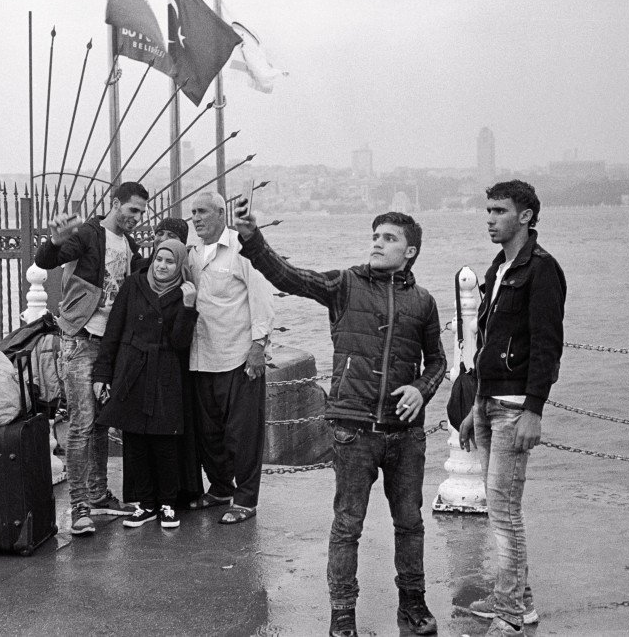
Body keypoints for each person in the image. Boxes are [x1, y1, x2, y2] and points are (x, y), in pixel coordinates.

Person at [233, 203, 446, 637]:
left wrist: (420, 390)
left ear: (411, 251)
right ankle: (342, 613)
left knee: (410, 523)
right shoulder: (345, 284)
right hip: (352, 428)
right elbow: (291, 278)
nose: (377, 243)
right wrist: (253, 240)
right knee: (348, 525)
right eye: (376, 235)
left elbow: (438, 362)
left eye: (389, 238)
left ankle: (413, 604)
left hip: (405, 435)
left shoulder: (423, 301)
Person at [459, 180, 566, 637]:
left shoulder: (541, 270)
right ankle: (517, 600)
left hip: (514, 406)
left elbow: (547, 345)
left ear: (525, 216)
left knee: (504, 511)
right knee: (498, 507)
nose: (489, 218)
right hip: (488, 401)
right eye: (487, 210)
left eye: (499, 211)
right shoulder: (499, 269)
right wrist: (472, 408)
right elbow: (487, 343)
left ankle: (510, 613)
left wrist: (534, 409)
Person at [34, 181, 149, 535]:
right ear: (115, 204)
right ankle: (79, 506)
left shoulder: (129, 245)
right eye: (132, 210)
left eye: (141, 213)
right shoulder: (88, 233)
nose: (136, 218)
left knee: (101, 422)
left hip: (110, 345)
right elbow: (47, 260)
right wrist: (54, 239)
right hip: (81, 338)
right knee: (83, 422)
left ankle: (99, 498)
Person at [92, 239, 198, 529]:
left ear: (180, 265)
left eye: (170, 261)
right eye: (159, 259)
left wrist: (189, 308)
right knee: (135, 439)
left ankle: (167, 503)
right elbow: (113, 330)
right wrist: (102, 374)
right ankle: (145, 504)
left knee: (165, 440)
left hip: (166, 371)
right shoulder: (133, 285)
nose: (162, 266)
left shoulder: (183, 293)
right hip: (132, 369)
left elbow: (180, 342)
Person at [187, 191, 274, 525]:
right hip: (200, 357)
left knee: (243, 434)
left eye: (203, 211)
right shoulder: (192, 254)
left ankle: (246, 499)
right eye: (193, 212)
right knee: (209, 433)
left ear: (221, 214)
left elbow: (262, 298)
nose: (196, 218)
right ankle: (221, 487)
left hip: (238, 356)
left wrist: (258, 347)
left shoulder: (241, 249)